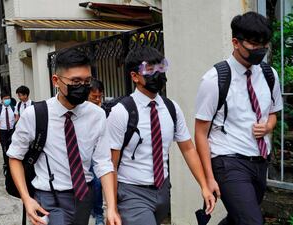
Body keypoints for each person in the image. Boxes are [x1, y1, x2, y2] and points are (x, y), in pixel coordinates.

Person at [7, 49, 121, 225]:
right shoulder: (35, 114)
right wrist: (26, 199)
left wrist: (111, 208)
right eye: (75, 81)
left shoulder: (97, 115)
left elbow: (103, 163)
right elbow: (15, 157)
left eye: (86, 81)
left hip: (84, 196)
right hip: (49, 199)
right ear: (56, 81)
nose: (82, 86)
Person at [106, 46, 215, 225]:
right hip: (132, 194)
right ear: (134, 76)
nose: (157, 74)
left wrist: (204, 186)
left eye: (161, 68)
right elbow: (111, 163)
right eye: (150, 70)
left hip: (162, 191)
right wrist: (111, 206)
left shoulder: (171, 108)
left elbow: (188, 148)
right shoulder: (121, 112)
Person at [195, 12, 283, 225]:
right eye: (254, 44)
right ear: (235, 42)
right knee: (252, 222)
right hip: (228, 161)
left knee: (238, 219)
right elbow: (200, 133)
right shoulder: (215, 79)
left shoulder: (270, 75)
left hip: (260, 160)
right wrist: (208, 179)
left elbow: (273, 113)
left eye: (264, 44)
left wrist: (268, 127)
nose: (260, 50)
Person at [88, 79, 105, 225]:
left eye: (100, 96)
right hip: (81, 155)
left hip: (97, 154)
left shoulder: (102, 111)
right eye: (94, 97)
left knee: (98, 183)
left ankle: (98, 213)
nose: (97, 99)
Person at [0, 92, 15, 171]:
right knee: (4, 149)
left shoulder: (14, 108)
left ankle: (12, 164)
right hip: (2, 131)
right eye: (5, 99)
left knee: (12, 148)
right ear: (2, 100)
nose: (7, 100)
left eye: (8, 98)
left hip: (12, 131)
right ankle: (6, 163)